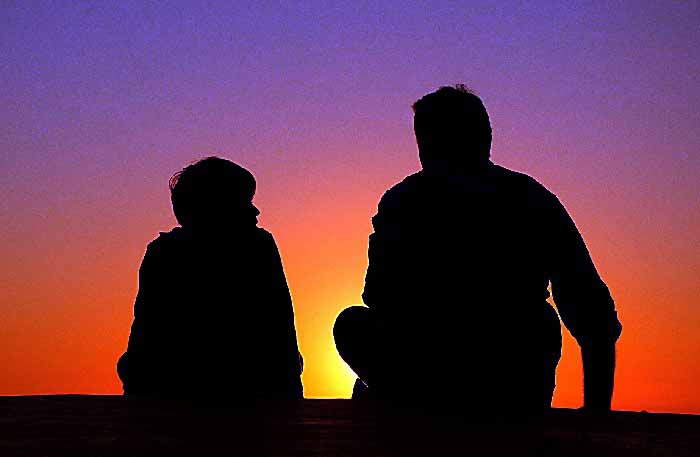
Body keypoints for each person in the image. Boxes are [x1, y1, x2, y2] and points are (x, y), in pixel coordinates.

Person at [334, 85, 622, 411]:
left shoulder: (403, 201)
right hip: (510, 375)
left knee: (352, 324)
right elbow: (591, 309)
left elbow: (378, 295)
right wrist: (597, 410)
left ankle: (406, 398)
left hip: (446, 375)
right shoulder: (531, 197)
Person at [117, 157, 303, 399]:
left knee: (130, 363)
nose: (255, 211)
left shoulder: (162, 251)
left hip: (182, 384)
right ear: (217, 206)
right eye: (244, 202)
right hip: (242, 386)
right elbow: (282, 332)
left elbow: (144, 334)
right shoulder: (258, 246)